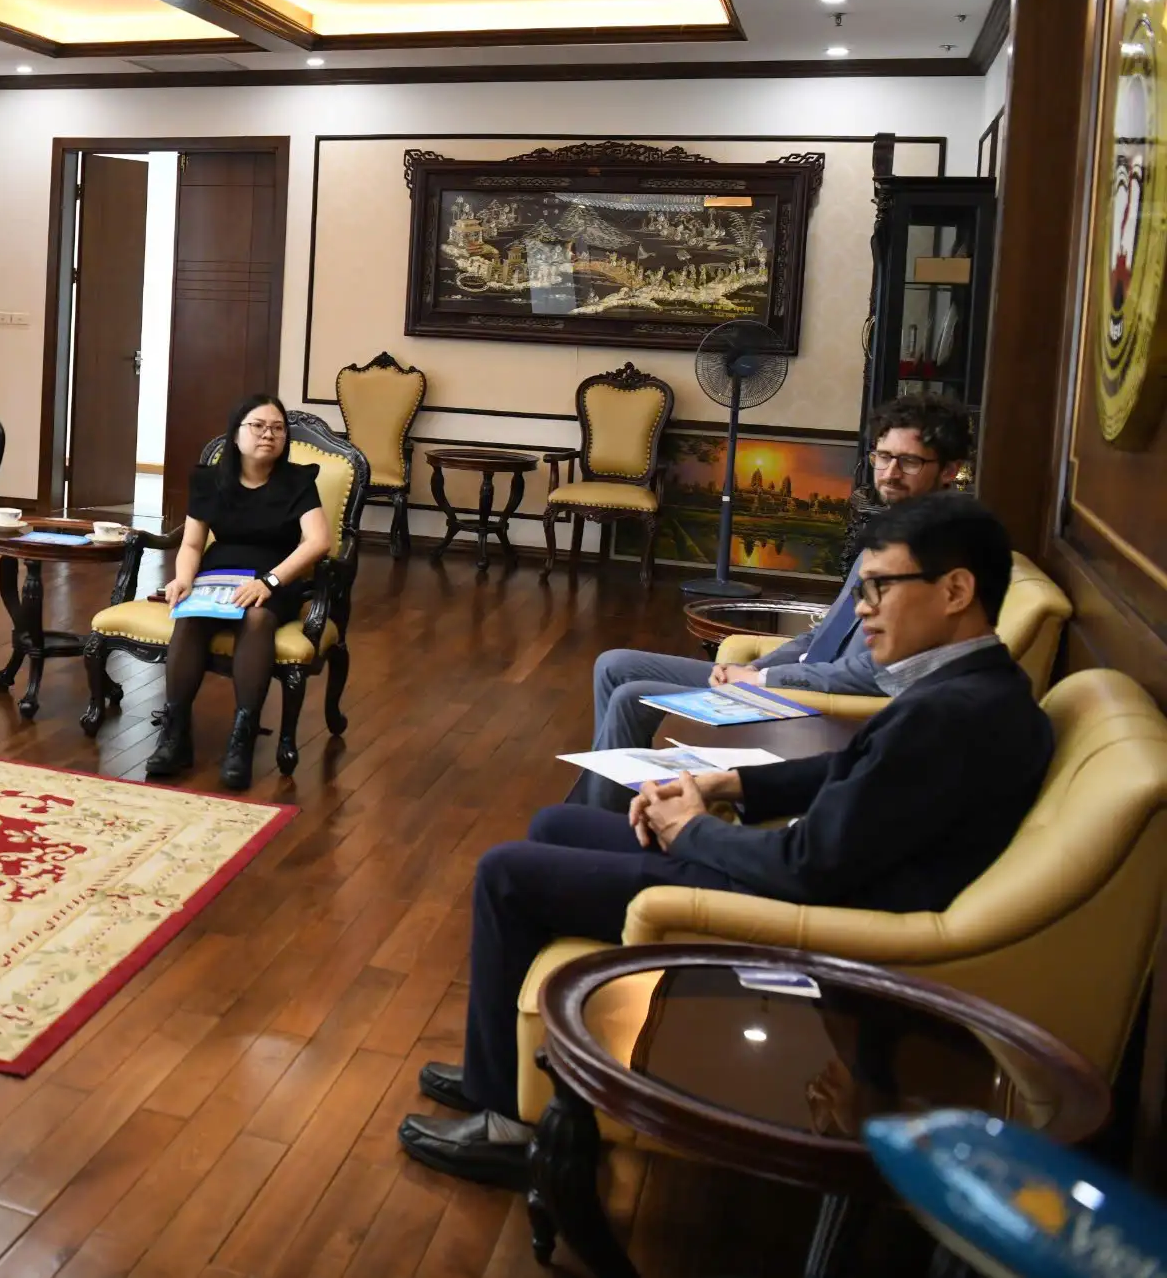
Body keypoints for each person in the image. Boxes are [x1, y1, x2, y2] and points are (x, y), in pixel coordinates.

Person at [397, 493, 1051, 1190]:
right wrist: (727, 784)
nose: (863, 610)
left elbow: (807, 867)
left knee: (506, 873)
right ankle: (499, 1066)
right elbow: (850, 770)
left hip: (799, 910)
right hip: (810, 873)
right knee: (555, 826)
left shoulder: (950, 715)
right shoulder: (978, 686)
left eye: (880, 588)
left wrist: (693, 830)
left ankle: (509, 1126)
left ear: (955, 590)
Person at [569, 391, 972, 808]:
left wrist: (763, 681)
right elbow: (823, 634)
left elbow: (877, 674)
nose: (890, 473)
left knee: (631, 697)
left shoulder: (932, 554)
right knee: (614, 664)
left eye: (909, 461)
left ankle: (594, 822)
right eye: (883, 457)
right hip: (790, 680)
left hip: (813, 702)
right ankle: (591, 814)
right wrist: (751, 669)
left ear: (950, 470)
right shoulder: (891, 531)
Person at [147, 395, 336, 789]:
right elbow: (192, 544)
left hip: (275, 577)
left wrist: (270, 582)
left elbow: (319, 542)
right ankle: (175, 733)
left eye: (278, 428)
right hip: (219, 573)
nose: (269, 434)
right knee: (190, 617)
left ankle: (242, 737)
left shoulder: (298, 481)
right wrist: (183, 579)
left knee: (257, 617)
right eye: (259, 426)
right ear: (235, 434)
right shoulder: (209, 480)